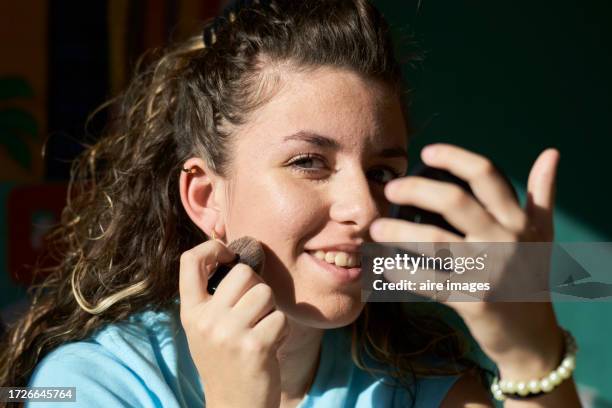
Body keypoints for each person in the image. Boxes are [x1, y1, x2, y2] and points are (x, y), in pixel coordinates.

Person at [0, 0, 582, 407]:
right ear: (206, 197)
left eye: (382, 171)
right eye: (309, 162)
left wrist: (533, 357)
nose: (366, 208)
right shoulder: (88, 384)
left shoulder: (414, 382)